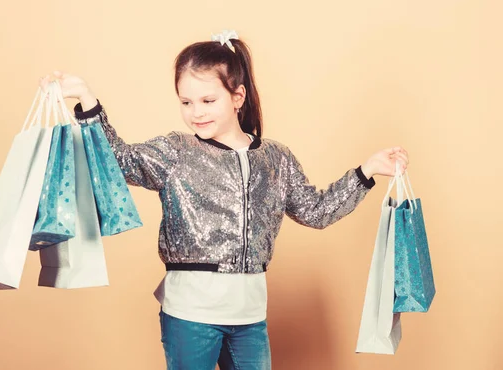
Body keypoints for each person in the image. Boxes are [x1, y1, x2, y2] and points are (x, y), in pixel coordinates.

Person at [39, 30, 409, 370]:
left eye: (207, 99)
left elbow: (317, 211)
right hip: (189, 315)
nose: (195, 111)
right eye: (186, 101)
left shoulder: (276, 159)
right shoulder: (175, 151)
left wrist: (366, 171)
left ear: (237, 96)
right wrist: (87, 101)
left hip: (250, 319)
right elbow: (118, 161)